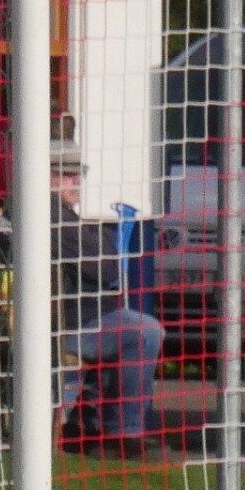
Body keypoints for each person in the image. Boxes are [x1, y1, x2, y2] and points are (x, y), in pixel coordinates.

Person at [51, 143, 165, 457]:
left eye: (79, 174)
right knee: (142, 332)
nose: (77, 181)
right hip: (66, 325)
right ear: (46, 177)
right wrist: (102, 243)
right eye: (68, 175)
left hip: (82, 317)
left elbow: (104, 263)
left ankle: (90, 424)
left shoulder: (63, 215)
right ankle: (119, 434)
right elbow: (106, 267)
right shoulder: (51, 216)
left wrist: (101, 244)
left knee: (135, 328)